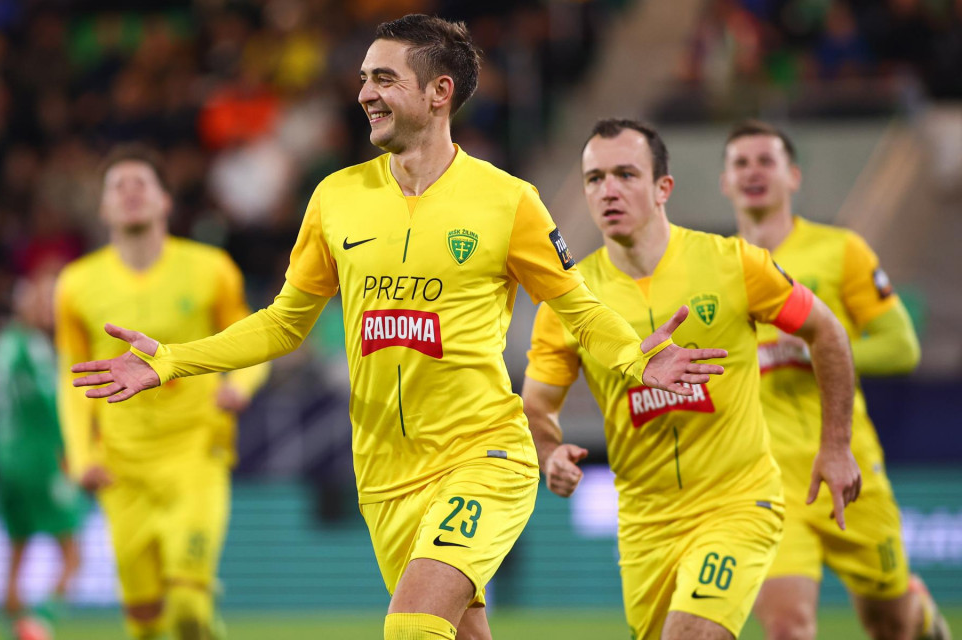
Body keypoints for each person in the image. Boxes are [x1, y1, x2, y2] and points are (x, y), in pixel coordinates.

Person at [68, 16, 728, 640]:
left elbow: (578, 308)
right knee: (462, 628)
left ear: (439, 93)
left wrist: (640, 361)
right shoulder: (335, 198)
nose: (364, 94)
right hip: (383, 473)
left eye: (384, 79)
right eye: (363, 79)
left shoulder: (508, 201)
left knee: (410, 626)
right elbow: (282, 324)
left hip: (482, 455)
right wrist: (172, 361)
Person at [522, 119, 861, 640]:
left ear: (664, 188)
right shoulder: (570, 300)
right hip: (644, 523)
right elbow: (539, 404)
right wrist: (549, 453)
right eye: (594, 178)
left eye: (625, 174)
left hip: (737, 501)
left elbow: (828, 331)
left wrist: (836, 446)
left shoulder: (733, 264)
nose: (608, 190)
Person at [720, 120, 951, 640]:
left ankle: (915, 611)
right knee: (787, 625)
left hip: (848, 465)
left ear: (793, 176)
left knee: (890, 624)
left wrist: (816, 350)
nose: (753, 171)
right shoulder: (716, 267)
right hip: (767, 478)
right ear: (724, 183)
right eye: (740, 162)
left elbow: (901, 346)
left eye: (766, 160)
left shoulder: (839, 249)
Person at [55, 143, 270, 640]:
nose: (130, 194)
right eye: (118, 187)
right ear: (103, 207)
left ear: (165, 201)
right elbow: (71, 379)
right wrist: (81, 451)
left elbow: (250, 341)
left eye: (141, 184)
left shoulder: (210, 268)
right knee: (146, 622)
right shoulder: (75, 284)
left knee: (189, 610)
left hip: (195, 454)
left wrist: (239, 385)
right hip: (123, 467)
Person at [0, 270, 84, 640]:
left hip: (4, 459)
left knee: (16, 555)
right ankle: (40, 622)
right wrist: (69, 453)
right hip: (40, 460)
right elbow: (51, 403)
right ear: (23, 303)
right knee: (74, 556)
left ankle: (13, 627)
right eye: (41, 300)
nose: (48, 309)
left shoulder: (2, 344)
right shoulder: (35, 347)